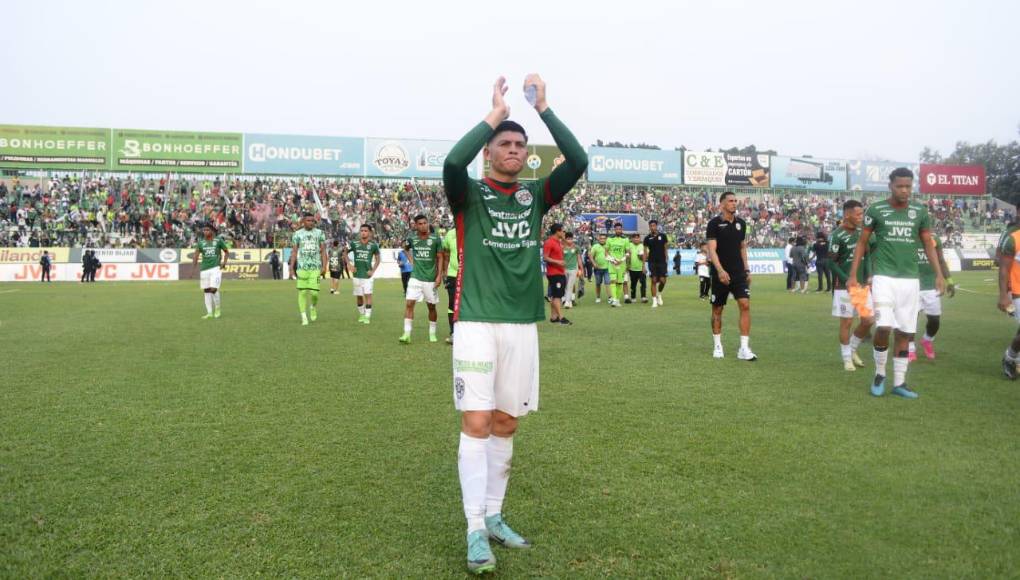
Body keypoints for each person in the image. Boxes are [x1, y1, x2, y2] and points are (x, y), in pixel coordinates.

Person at [443, 74, 586, 574]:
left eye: (519, 144)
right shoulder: (469, 195)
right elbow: (450, 162)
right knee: (477, 423)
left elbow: (580, 161)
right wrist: (495, 114)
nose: (512, 149)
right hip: (477, 323)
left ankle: (496, 515)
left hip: (522, 326)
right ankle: (474, 528)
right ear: (489, 151)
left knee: (506, 423)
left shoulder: (536, 197)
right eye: (504, 142)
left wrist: (543, 107)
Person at [848, 167, 945, 399]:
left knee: (905, 331)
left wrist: (939, 274)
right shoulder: (876, 210)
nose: (904, 190)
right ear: (890, 186)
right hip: (884, 278)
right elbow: (862, 243)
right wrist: (853, 275)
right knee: (883, 327)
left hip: (910, 281)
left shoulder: (919, 211)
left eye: (908, 186)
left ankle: (900, 383)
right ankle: (880, 373)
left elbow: (928, 244)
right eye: (900, 186)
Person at [707, 191, 756, 361]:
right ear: (722, 204)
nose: (734, 203)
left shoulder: (741, 224)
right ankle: (718, 345)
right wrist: (720, 270)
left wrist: (747, 269)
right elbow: (711, 250)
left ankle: (743, 348)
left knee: (745, 305)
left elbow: (742, 247)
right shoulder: (713, 224)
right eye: (730, 201)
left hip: (738, 273)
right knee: (718, 309)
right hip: (720, 273)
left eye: (735, 201)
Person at [828, 200, 874, 371]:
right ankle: (847, 359)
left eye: (862, 214)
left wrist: (869, 274)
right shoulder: (836, 235)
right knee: (846, 322)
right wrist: (846, 279)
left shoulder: (863, 232)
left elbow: (868, 255)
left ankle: (852, 349)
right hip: (844, 287)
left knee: (868, 320)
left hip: (861, 286)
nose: (861, 217)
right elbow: (831, 263)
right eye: (858, 214)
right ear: (847, 214)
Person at [400, 214, 445, 344]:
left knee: (431, 307)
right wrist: (411, 260)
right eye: (420, 224)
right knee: (409, 304)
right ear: (416, 226)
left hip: (430, 279)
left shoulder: (435, 239)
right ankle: (406, 334)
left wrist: (439, 275)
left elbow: (440, 257)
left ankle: (432, 333)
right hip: (416, 277)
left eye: (425, 223)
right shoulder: (412, 239)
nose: (423, 225)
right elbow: (405, 248)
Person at [909, 234, 954, 361]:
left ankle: (927, 340)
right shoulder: (909, 236)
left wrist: (949, 281)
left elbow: (940, 260)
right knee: (912, 319)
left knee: (935, 320)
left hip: (931, 285)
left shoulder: (934, 238)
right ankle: (910, 348)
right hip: (912, 285)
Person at [289, 212, 328, 326]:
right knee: (302, 292)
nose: (311, 222)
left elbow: (323, 251)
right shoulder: (297, 234)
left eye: (313, 221)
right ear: (303, 222)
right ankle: (304, 317)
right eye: (308, 220)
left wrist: (324, 266)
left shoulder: (320, 233)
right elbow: (295, 251)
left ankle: (313, 306)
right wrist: (291, 268)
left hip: (315, 268)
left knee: (315, 293)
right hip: (302, 268)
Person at [191, 223, 229, 319]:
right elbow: (196, 255)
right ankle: (209, 313)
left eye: (207, 230)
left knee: (213, 289)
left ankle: (217, 309)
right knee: (206, 290)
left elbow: (226, 251)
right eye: (204, 230)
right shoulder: (201, 243)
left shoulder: (218, 241)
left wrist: (224, 263)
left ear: (212, 231)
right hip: (204, 269)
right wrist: (193, 268)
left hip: (215, 268)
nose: (205, 232)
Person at [997, 221, 1020, 379]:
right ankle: (1010, 358)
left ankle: (1013, 358)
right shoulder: (1013, 239)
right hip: (1018, 291)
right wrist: (1004, 295)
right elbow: (1004, 267)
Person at [349, 224, 381, 324]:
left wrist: (373, 270)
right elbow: (344, 253)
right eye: (362, 230)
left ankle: (367, 316)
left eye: (366, 231)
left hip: (367, 275)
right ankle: (362, 315)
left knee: (368, 295)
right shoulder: (354, 243)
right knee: (359, 296)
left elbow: (378, 258)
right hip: (357, 275)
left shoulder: (373, 245)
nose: (363, 232)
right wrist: (349, 265)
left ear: (370, 232)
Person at [543, 223, 570, 324]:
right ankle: (561, 318)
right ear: (557, 231)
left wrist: (563, 239)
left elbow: (568, 245)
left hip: (559, 272)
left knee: (556, 295)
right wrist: (558, 262)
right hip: (554, 273)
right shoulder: (549, 242)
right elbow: (545, 257)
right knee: (557, 296)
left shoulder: (558, 242)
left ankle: (554, 317)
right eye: (562, 231)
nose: (564, 233)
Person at [644, 220, 669, 306]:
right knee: (653, 280)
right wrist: (643, 265)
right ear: (649, 227)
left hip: (662, 261)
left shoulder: (663, 236)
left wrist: (666, 258)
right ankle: (654, 300)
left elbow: (665, 248)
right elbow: (645, 252)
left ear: (657, 226)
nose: (652, 227)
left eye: (654, 225)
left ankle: (659, 294)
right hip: (652, 261)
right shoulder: (647, 238)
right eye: (651, 226)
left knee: (663, 280)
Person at [442, 224, 460, 343]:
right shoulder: (450, 234)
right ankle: (453, 333)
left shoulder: (473, 231)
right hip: (453, 275)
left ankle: (468, 333)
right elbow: (446, 254)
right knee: (452, 303)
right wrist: (444, 273)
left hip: (469, 275)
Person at [605, 222, 629, 306]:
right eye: (617, 229)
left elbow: (628, 252)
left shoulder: (625, 239)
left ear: (622, 229)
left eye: (620, 229)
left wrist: (621, 260)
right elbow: (606, 252)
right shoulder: (609, 239)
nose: (618, 230)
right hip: (612, 264)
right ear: (614, 230)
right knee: (613, 281)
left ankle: (617, 299)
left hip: (622, 264)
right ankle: (614, 299)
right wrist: (612, 260)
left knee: (620, 283)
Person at [562, 232, 582, 309]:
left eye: (571, 239)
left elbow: (579, 259)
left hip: (573, 269)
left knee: (570, 285)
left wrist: (581, 269)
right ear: (565, 239)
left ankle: (567, 302)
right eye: (568, 239)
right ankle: (569, 301)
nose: (570, 240)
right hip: (564, 269)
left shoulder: (576, 247)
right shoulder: (562, 247)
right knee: (565, 286)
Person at [626, 232, 647, 304]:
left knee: (643, 284)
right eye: (634, 238)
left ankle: (643, 297)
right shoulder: (629, 245)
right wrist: (627, 265)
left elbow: (646, 257)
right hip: (632, 269)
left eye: (637, 238)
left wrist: (642, 257)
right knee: (633, 284)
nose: (636, 239)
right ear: (631, 239)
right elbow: (627, 254)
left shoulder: (643, 246)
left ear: (639, 238)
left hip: (641, 269)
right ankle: (633, 297)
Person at [590, 233, 609, 304]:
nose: (602, 240)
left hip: (607, 268)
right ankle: (598, 297)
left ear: (606, 239)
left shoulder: (608, 246)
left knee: (608, 283)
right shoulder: (595, 246)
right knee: (598, 283)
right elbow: (591, 256)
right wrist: (594, 264)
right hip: (598, 269)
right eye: (601, 238)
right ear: (598, 239)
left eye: (604, 238)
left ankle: (610, 297)